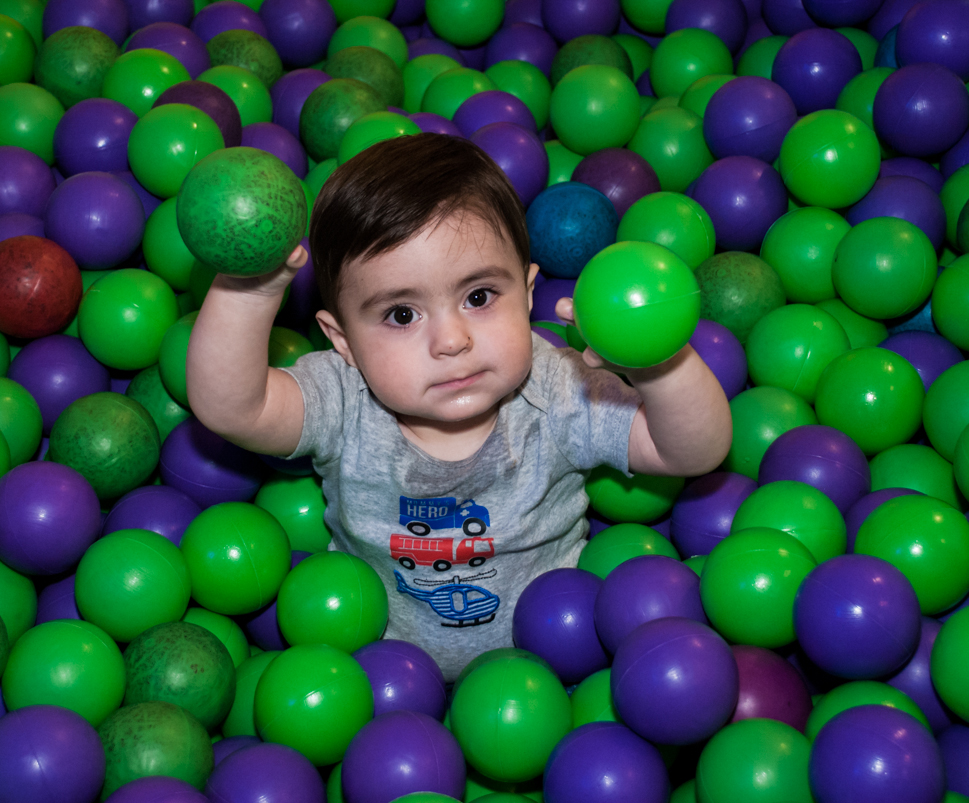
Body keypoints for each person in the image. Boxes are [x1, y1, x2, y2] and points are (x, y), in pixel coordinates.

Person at [186, 133, 732, 680]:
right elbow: (234, 408)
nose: (451, 340)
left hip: (551, 667)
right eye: (402, 314)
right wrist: (249, 290)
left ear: (527, 291)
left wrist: (656, 360)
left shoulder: (562, 389)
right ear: (343, 340)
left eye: (478, 297)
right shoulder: (342, 403)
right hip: (374, 673)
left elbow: (689, 451)